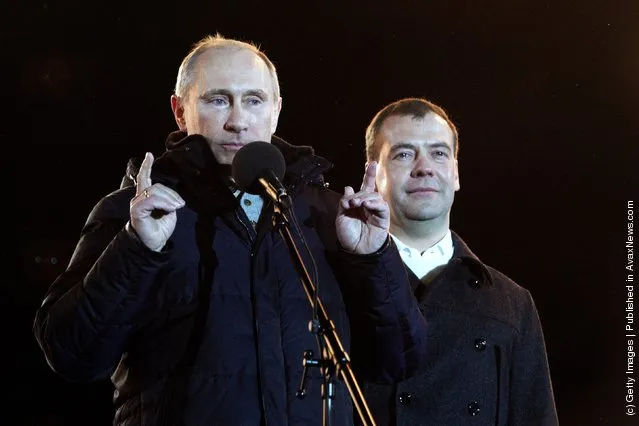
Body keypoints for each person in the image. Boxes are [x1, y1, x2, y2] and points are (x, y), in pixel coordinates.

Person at [33, 35, 426, 426]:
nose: (237, 121)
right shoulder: (133, 213)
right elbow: (71, 356)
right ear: (180, 111)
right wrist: (136, 250)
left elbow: (399, 361)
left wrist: (371, 259)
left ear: (275, 111)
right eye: (217, 100)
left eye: (253, 101)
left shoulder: (330, 216)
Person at [356, 97, 559, 425]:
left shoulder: (512, 303)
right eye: (404, 153)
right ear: (373, 174)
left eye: (438, 153)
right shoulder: (338, 285)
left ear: (456, 173)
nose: (424, 167)